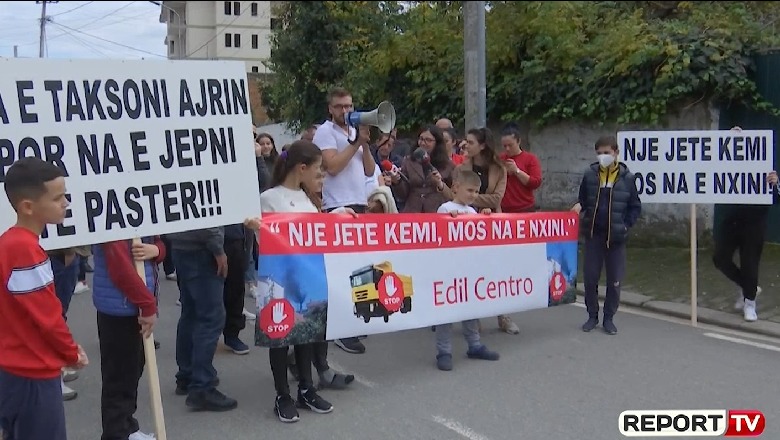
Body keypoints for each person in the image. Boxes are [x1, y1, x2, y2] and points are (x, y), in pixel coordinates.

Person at [0, 157, 88, 440]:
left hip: (14, 368)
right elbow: (47, 316)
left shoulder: (10, 243)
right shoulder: (25, 250)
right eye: (57, 198)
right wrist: (70, 352)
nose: (65, 203)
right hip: (32, 371)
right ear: (28, 206)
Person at [259, 140, 341, 422]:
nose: (321, 175)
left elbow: (316, 233)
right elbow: (267, 239)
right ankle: (282, 395)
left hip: (307, 279)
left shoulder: (308, 200)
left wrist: (338, 217)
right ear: (302, 168)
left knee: (306, 334)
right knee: (280, 337)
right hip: (280, 279)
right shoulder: (270, 198)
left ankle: (306, 389)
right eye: (318, 169)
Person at [435, 127, 520, 335]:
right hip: (467, 227)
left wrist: (470, 197)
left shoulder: (499, 168)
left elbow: (496, 198)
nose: (465, 145)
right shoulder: (460, 168)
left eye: (471, 142)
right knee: (472, 273)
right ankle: (474, 318)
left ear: (482, 145)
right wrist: (447, 189)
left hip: (491, 225)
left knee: (497, 272)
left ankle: (503, 316)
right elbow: (454, 194)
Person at [312, 86, 374, 354]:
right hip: (338, 206)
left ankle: (353, 320)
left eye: (349, 106)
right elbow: (333, 167)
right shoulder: (325, 132)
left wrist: (364, 143)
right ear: (330, 108)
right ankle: (340, 329)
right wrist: (355, 143)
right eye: (339, 106)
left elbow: (369, 170)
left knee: (358, 268)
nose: (345, 111)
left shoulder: (353, 133)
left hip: (358, 203)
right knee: (342, 271)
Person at [92, 236, 165, 440]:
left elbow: (159, 242)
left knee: (133, 369)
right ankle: (116, 432)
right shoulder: (111, 228)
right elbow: (119, 268)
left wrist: (157, 250)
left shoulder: (143, 221)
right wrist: (147, 304)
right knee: (119, 377)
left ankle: (126, 426)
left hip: (133, 305)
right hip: (118, 308)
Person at [571, 135, 642, 335]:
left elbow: (635, 206)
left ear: (616, 152)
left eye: (607, 152)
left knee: (614, 281)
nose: (603, 156)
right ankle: (592, 316)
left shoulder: (628, 178)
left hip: (616, 238)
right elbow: (583, 199)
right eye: (599, 153)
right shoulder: (590, 175)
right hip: (593, 235)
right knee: (590, 278)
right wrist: (579, 206)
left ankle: (609, 318)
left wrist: (626, 225)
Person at [434, 170, 500, 371]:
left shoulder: (472, 211)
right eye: (470, 190)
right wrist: (448, 219)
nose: (473, 195)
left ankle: (475, 345)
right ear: (456, 188)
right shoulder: (445, 208)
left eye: (476, 191)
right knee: (446, 315)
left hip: (468, 270)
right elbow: (438, 233)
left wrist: (484, 218)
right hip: (449, 271)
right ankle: (444, 351)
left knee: (471, 310)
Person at [713, 126, 778, 322]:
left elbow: (777, 196)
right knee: (720, 258)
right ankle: (749, 288)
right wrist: (731, 138)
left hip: (755, 219)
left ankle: (750, 302)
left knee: (750, 263)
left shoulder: (770, 158)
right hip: (733, 216)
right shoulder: (733, 156)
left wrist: (776, 183)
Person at [168, 224, 236, 411]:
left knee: (191, 313)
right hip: (201, 248)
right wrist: (217, 248)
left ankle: (188, 375)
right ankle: (201, 386)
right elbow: (207, 217)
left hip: (182, 246)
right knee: (211, 318)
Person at [499, 124, 543, 213]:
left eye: (510, 145)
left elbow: (536, 182)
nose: (507, 149)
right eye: (504, 146)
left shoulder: (530, 159)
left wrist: (517, 171)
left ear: (518, 141)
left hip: (525, 208)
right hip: (504, 209)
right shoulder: (500, 159)